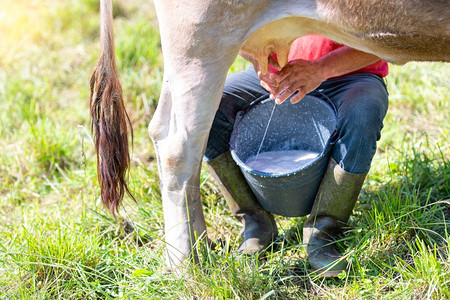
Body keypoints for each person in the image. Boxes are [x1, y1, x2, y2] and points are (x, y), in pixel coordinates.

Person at [204, 34, 389, 277]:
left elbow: (389, 40)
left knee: (363, 115)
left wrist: (321, 68)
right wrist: (258, 61)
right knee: (207, 107)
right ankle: (255, 223)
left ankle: (323, 231)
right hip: (282, 74)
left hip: (352, 74)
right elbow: (235, 24)